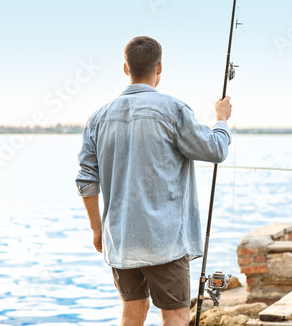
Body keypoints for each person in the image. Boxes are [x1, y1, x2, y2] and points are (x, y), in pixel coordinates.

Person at [75, 36, 232, 326]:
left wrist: (97, 230)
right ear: (159, 67)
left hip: (120, 238)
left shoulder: (97, 118)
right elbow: (216, 151)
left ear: (126, 68)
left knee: (132, 309)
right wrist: (221, 120)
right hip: (165, 240)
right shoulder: (174, 110)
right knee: (175, 313)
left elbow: (86, 180)